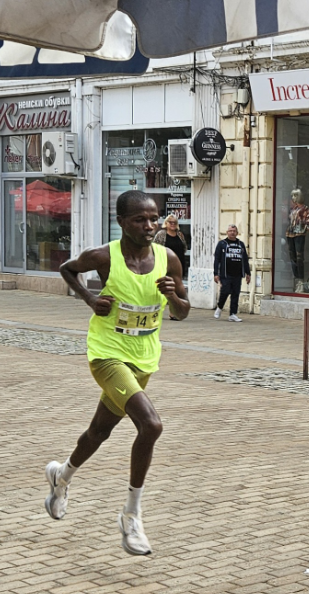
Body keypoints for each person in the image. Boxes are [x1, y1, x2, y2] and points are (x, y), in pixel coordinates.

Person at [47, 190, 190, 556]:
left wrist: (174, 297)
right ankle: (131, 516)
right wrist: (91, 299)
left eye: (154, 218)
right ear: (122, 222)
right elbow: (67, 269)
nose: (150, 226)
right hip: (107, 354)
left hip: (144, 358)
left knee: (99, 431)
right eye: (140, 220)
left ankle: (61, 478)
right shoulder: (104, 257)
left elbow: (183, 312)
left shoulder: (169, 258)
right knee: (151, 424)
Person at [213, 224, 251, 322]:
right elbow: (217, 259)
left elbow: (245, 259)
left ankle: (233, 314)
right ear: (227, 232)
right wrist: (216, 273)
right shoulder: (222, 244)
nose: (232, 233)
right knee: (225, 291)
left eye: (234, 231)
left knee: (235, 293)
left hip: (237, 274)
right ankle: (219, 307)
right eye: (230, 231)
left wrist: (248, 273)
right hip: (225, 273)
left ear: (237, 233)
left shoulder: (241, 244)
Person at [287, 189, 309, 291]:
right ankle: (297, 278)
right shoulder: (293, 209)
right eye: (292, 196)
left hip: (300, 233)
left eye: (295, 196)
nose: (293, 198)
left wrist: (307, 227)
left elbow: (308, 221)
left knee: (299, 256)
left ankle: (300, 280)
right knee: (292, 257)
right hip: (291, 233)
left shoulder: (305, 209)